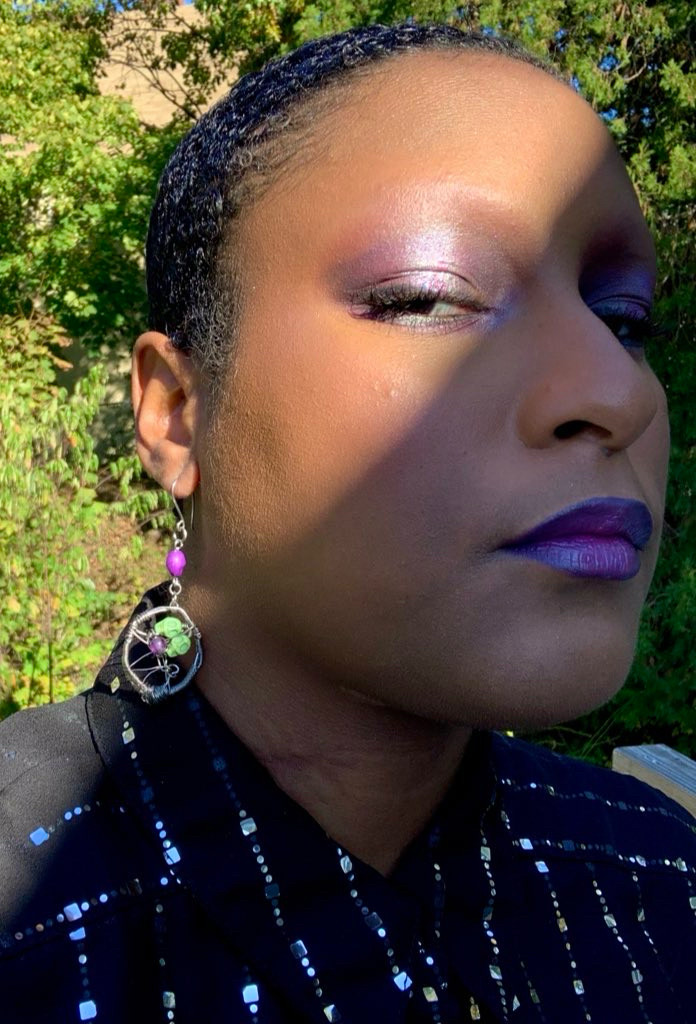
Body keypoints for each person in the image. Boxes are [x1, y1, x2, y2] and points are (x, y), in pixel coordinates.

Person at [1, 21, 694, 1024]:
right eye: (429, 297)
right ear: (177, 412)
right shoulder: (35, 921)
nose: (614, 388)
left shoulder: (655, 883)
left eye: (623, 320)